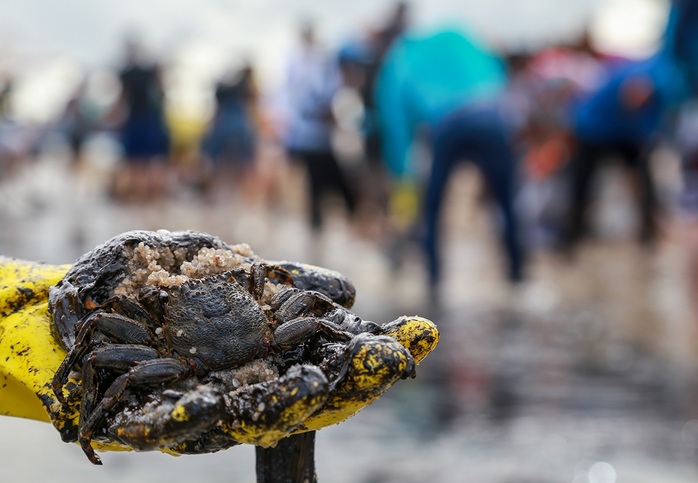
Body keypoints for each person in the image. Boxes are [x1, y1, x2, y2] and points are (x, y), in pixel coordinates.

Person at [375, 27, 525, 299]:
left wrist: (401, 172)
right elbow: (499, 75)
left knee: (433, 207)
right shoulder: (459, 36)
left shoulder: (399, 62)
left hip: (448, 124)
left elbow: (396, 126)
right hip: (492, 117)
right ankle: (517, 278)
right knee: (506, 203)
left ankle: (434, 281)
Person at [281, 22, 356, 233]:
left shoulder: (306, 64)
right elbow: (311, 105)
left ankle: (318, 228)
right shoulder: (315, 69)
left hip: (310, 139)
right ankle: (320, 229)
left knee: (320, 187)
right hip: (313, 141)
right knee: (328, 186)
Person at [109, 36, 170, 202]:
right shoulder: (150, 72)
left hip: (136, 121)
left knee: (135, 164)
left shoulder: (127, 74)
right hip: (151, 122)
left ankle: (137, 200)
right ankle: (150, 201)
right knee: (151, 164)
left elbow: (121, 100)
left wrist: (109, 119)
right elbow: (162, 93)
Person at [201, 62, 258, 200]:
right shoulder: (244, 90)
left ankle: (220, 196)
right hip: (238, 128)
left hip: (224, 126)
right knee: (241, 165)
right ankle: (236, 197)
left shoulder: (226, 90)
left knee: (219, 164)